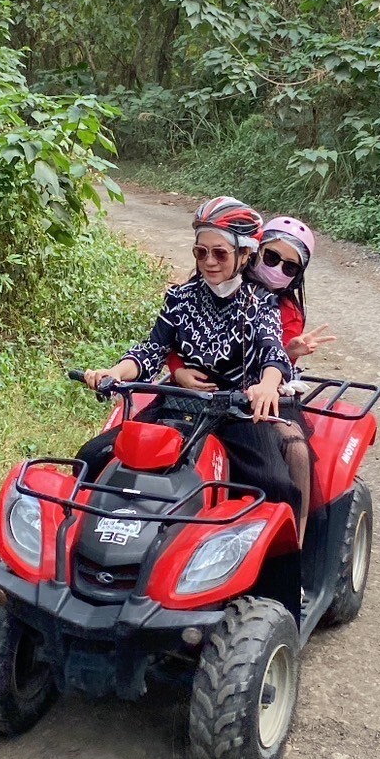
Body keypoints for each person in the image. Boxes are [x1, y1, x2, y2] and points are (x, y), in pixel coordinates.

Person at [80, 197, 302, 524]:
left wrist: (268, 386)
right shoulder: (180, 298)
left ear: (245, 254)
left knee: (276, 486)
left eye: (220, 252)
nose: (209, 261)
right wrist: (114, 372)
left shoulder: (261, 302)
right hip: (178, 405)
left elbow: (272, 350)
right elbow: (151, 350)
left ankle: (285, 570)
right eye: (201, 252)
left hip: (237, 413)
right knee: (90, 457)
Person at [173, 215, 336, 542]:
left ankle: (295, 546)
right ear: (253, 252)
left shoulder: (288, 310)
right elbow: (172, 336)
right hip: (203, 386)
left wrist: (288, 352)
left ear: (296, 276)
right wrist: (177, 368)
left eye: (289, 267)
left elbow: (276, 358)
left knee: (295, 451)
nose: (277, 269)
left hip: (264, 391)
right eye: (272, 257)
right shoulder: (215, 283)